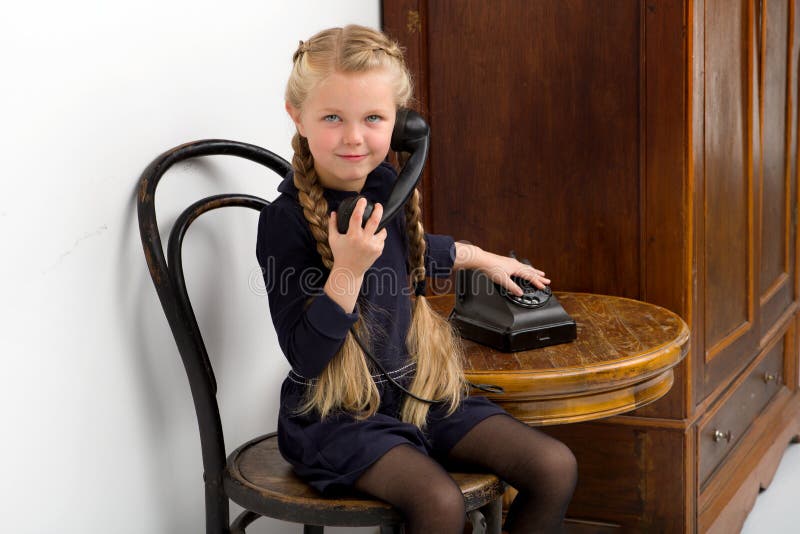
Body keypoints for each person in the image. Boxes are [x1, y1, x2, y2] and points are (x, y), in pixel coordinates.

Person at [256, 24, 577, 534]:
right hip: (337, 417)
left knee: (553, 465)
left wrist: (484, 258)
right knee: (439, 503)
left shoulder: (388, 184)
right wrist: (346, 271)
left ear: (403, 124)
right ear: (297, 116)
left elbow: (416, 256)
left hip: (414, 393)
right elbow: (306, 354)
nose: (354, 137)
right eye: (333, 117)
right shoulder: (284, 222)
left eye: (374, 118)